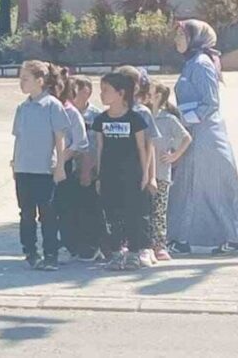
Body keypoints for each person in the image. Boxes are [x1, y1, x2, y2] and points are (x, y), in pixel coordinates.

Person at [168, 20, 238, 256]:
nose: (176, 40)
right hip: (194, 132)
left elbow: (210, 103)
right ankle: (182, 238)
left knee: (211, 187)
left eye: (181, 35)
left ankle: (233, 236)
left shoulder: (201, 64)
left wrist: (187, 119)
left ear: (195, 38)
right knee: (188, 186)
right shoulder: (192, 63)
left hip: (205, 136)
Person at [92, 72, 155, 271]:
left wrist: (146, 174)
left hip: (132, 174)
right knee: (113, 214)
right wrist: (100, 175)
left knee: (133, 214)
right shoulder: (101, 120)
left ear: (121, 93)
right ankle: (117, 252)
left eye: (106, 91)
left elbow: (142, 148)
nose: (102, 95)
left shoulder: (135, 118)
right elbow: (100, 148)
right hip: (110, 175)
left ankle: (135, 252)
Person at [11, 61, 69, 271]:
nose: (21, 83)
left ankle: (51, 254)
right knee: (26, 213)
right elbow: (18, 138)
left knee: (47, 213)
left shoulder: (52, 105)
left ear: (40, 81)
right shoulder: (22, 108)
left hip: (44, 169)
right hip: (23, 168)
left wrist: (60, 164)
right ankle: (30, 251)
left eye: (25, 79)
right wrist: (14, 162)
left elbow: (60, 137)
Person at [148, 81, 192, 262]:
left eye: (148, 92)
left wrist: (174, 156)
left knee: (159, 211)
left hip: (161, 172)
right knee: (143, 210)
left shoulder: (168, 120)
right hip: (143, 172)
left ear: (157, 96)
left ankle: (159, 245)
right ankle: (143, 244)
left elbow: (186, 138)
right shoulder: (141, 116)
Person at [70, 76, 107, 262]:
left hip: (91, 170)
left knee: (91, 209)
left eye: (78, 89)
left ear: (87, 92)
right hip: (70, 169)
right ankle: (74, 245)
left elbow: (97, 145)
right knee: (72, 210)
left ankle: (94, 245)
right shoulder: (66, 113)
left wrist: (90, 169)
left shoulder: (97, 116)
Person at [54, 68, 89, 262]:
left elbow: (80, 143)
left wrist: (61, 159)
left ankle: (70, 244)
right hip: (43, 166)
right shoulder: (45, 108)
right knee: (49, 209)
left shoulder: (71, 112)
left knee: (66, 208)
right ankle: (53, 243)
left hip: (66, 166)